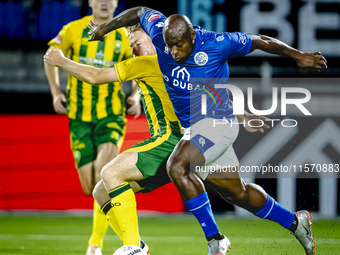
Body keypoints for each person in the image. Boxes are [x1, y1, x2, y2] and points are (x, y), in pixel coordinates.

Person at [86, 7, 328, 255]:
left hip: (218, 124)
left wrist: (297, 55)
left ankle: (215, 240)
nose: (174, 52)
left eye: (179, 45)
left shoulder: (218, 43)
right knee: (237, 193)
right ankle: (296, 223)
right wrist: (105, 28)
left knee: (177, 166)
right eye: (169, 46)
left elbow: (259, 40)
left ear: (192, 36)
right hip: (195, 130)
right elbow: (138, 11)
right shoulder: (160, 32)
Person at [44, 24, 269, 254]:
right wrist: (240, 114)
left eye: (136, 44)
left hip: (174, 140)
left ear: (153, 38)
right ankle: (292, 223)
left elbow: (95, 76)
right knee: (101, 192)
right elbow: (210, 91)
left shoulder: (149, 62)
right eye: (131, 46)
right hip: (191, 140)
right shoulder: (178, 61)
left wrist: (62, 61)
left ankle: (134, 247)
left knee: (111, 173)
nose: (133, 51)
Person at [43, 1, 140, 254]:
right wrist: (55, 92)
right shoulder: (73, 29)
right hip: (79, 118)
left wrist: (136, 96)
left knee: (104, 175)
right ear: (90, 2)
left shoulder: (122, 34)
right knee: (89, 187)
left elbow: (141, 63)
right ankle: (118, 240)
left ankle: (96, 244)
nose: (105, 2)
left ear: (117, 3)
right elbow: (50, 56)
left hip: (112, 116)